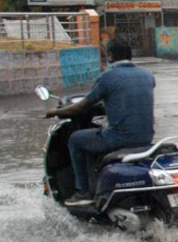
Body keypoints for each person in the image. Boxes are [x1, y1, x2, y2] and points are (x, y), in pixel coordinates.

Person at [46, 38, 155, 207]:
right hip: (146, 139)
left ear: (110, 55)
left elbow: (80, 107)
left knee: (75, 139)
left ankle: (83, 191)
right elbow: (129, 99)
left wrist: (55, 111)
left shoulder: (107, 77)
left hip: (119, 138)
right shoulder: (148, 75)